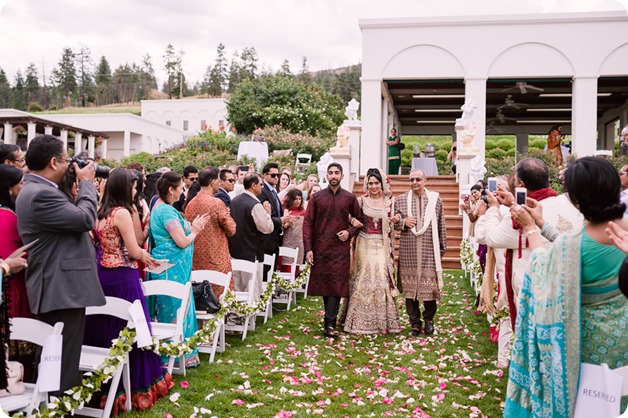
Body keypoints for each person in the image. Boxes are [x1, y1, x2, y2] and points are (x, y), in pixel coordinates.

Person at [505, 156, 628, 417]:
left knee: (592, 408)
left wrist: (530, 229)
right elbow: (574, 254)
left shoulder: (574, 245)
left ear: (577, 200)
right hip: (623, 338)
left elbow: (543, 269)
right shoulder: (621, 233)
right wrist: (542, 224)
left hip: (588, 345)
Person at [16, 134, 105, 393]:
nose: (70, 165)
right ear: (54, 162)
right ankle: (59, 408)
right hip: (61, 287)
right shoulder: (40, 193)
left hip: (58, 284)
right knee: (63, 361)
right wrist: (88, 185)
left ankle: (49, 406)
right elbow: (85, 219)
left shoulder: (36, 189)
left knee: (54, 357)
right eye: (66, 160)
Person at [85, 168, 172, 413]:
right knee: (131, 331)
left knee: (106, 329)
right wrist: (150, 259)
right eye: (133, 187)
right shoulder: (122, 213)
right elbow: (134, 251)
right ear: (124, 188)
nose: (136, 191)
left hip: (103, 275)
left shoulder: (100, 212)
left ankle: (106, 389)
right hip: (124, 277)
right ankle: (134, 387)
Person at [483, 158, 583, 330]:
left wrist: (493, 208)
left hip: (534, 291)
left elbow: (492, 238)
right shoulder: (567, 204)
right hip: (571, 286)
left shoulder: (520, 216)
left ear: (520, 184)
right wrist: (512, 203)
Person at [148, 172, 209, 369]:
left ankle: (180, 353)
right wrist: (196, 231)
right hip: (171, 268)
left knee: (176, 306)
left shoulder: (163, 208)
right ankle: (169, 356)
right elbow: (182, 241)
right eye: (180, 188)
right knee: (173, 307)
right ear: (170, 190)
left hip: (174, 267)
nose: (183, 191)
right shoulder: (165, 211)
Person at [303, 163, 361, 338]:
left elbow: (361, 219)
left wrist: (349, 232)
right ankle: (329, 322)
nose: (333, 176)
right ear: (326, 176)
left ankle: (330, 324)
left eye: (337, 173)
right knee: (326, 286)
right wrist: (308, 249)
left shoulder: (350, 198)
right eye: (331, 173)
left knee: (336, 286)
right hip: (321, 248)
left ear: (342, 176)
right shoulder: (317, 198)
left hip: (340, 249)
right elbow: (308, 223)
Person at [342, 168, 401, 334]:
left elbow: (396, 223)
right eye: (370, 183)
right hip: (364, 243)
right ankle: (357, 320)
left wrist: (396, 220)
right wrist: (353, 220)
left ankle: (382, 321)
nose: (373, 186)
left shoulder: (390, 202)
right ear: (366, 184)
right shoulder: (360, 201)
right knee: (363, 277)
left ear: (382, 184)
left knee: (382, 277)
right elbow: (347, 215)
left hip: (382, 245)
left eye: (376, 183)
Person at [395, 169, 446, 336]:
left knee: (429, 289)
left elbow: (441, 226)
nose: (414, 182)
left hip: (429, 251)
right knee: (410, 291)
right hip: (408, 250)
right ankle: (414, 323)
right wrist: (403, 222)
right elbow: (393, 224)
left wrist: (441, 250)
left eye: (418, 179)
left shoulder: (435, 200)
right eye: (411, 179)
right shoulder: (401, 200)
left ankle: (429, 320)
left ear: (425, 181)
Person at [185, 167, 236, 296]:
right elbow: (231, 229)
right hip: (216, 258)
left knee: (201, 297)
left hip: (196, 258)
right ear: (213, 182)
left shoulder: (190, 204)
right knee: (220, 295)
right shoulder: (216, 203)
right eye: (218, 180)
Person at [228, 173, 274, 298]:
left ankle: (236, 314)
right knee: (252, 287)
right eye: (261, 184)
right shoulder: (255, 204)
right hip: (252, 251)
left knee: (237, 287)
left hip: (235, 250)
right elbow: (267, 227)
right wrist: (268, 214)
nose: (262, 187)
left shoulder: (234, 201)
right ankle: (250, 316)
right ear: (253, 185)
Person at [258, 163, 286, 274]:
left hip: (275, 237)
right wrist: (281, 220)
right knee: (265, 273)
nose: (276, 178)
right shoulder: (262, 191)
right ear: (265, 175)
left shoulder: (273, 192)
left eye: (277, 175)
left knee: (271, 271)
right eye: (273, 175)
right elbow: (263, 216)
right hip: (266, 238)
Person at [281, 188, 306, 266]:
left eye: (299, 199)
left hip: (300, 243)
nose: (298, 201)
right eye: (295, 199)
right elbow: (282, 228)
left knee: (297, 267)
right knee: (286, 266)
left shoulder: (303, 212)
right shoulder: (286, 210)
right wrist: (287, 222)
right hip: (288, 242)